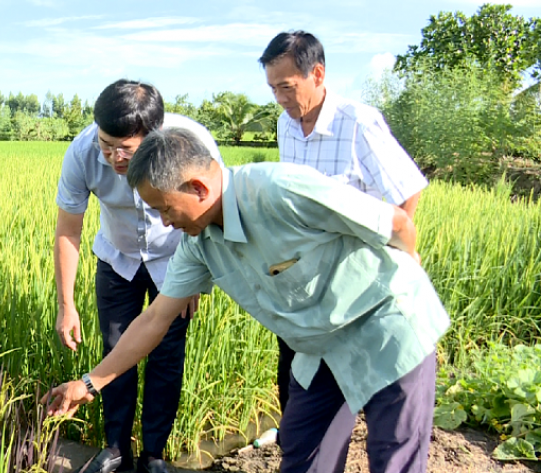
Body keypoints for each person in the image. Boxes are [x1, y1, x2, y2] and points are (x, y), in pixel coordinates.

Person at [45, 128, 450, 473]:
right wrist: (89, 384)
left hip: (386, 327)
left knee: (392, 457)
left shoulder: (281, 190)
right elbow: (155, 319)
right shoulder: (198, 245)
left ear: (199, 188)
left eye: (166, 209)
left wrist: (406, 287)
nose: (165, 222)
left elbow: (397, 223)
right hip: (320, 348)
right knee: (303, 455)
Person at [54, 80, 223, 473]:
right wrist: (67, 305)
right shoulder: (82, 153)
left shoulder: (192, 144)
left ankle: (154, 455)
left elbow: (212, 209)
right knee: (116, 350)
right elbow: (68, 229)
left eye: (124, 149)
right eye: (105, 143)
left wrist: (194, 275)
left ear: (154, 136)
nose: (113, 156)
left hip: (176, 258)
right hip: (118, 258)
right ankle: (115, 449)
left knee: (166, 357)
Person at [259, 30, 429, 418]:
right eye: (273, 89)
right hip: (299, 276)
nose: (281, 99)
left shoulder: (359, 123)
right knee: (294, 368)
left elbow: (407, 187)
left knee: (351, 375)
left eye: (287, 87)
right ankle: (296, 443)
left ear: (317, 74)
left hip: (351, 277)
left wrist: (395, 248)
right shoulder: (286, 124)